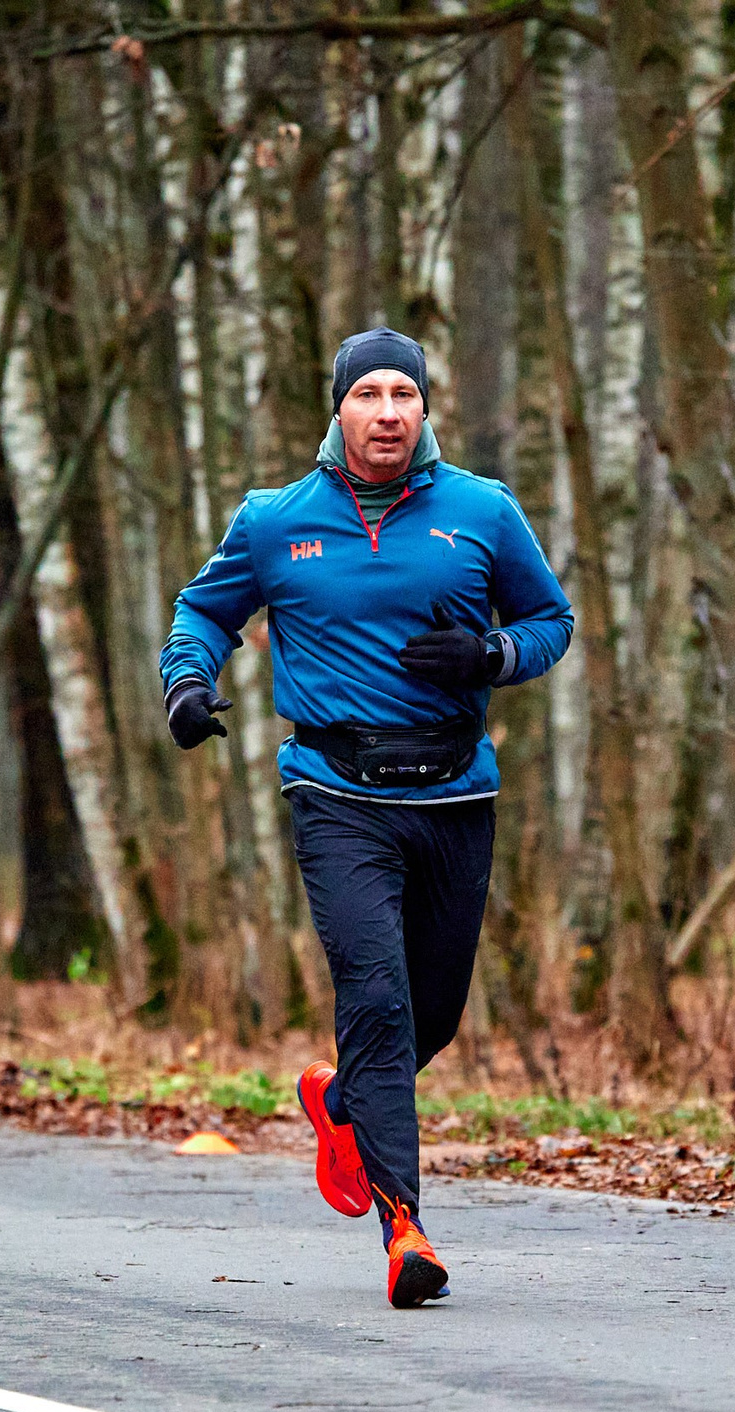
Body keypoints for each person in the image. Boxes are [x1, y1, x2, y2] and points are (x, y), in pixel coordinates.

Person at [159, 327, 574, 1308]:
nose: (386, 412)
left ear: (424, 410)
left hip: (455, 793)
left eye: (403, 394)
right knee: (377, 1002)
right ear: (337, 409)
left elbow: (549, 623)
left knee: (431, 1013)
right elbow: (202, 611)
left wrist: (488, 659)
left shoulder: (482, 511)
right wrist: (187, 681)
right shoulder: (275, 521)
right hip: (336, 793)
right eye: (368, 395)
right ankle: (405, 1232)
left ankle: (337, 1100)